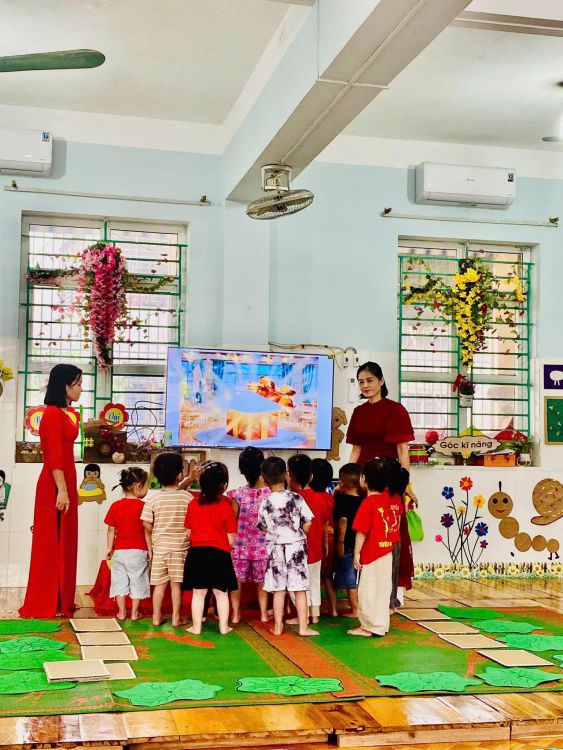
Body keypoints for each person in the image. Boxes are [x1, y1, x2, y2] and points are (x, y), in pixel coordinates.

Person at [347, 361, 417, 600]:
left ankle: (393, 593)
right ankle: (363, 588)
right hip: (364, 482)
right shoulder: (359, 412)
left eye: (370, 380)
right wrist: (347, 481)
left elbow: (402, 451)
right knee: (362, 530)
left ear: (381, 381)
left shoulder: (396, 410)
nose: (365, 386)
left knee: (391, 533)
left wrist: (405, 485)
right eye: (361, 382)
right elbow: (356, 451)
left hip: (390, 481)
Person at [19, 364, 83, 618]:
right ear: (65, 386)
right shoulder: (53, 415)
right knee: (52, 543)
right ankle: (47, 600)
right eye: (77, 384)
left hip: (64, 482)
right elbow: (54, 456)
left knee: (64, 541)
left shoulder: (66, 413)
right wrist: (62, 490)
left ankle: (60, 599)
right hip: (54, 485)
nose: (81, 389)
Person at [257, 457, 318, 637]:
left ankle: (277, 627)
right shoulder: (296, 498)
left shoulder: (265, 502)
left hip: (276, 548)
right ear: (286, 475)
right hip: (296, 547)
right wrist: (301, 531)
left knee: (279, 590)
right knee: (299, 589)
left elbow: (262, 528)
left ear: (263, 478)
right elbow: (308, 521)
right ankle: (303, 627)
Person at [348, 458, 403, 637]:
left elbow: (361, 532)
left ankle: (369, 626)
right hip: (387, 552)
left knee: (368, 591)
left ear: (364, 479)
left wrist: (356, 553)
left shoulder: (368, 503)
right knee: (383, 589)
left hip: (372, 554)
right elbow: (397, 522)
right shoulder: (395, 499)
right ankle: (380, 625)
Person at [182, 461, 238, 635]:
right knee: (221, 593)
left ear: (201, 482)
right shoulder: (226, 505)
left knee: (198, 594)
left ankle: (196, 627)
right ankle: (224, 627)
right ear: (224, 485)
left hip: (197, 554)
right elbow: (231, 539)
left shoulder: (193, 504)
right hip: (220, 555)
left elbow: (187, 533)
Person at [141, 452, 192, 627]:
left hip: (160, 549)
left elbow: (146, 523)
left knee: (160, 585)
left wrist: (156, 532)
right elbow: (192, 522)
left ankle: (156, 617)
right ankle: (176, 618)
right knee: (176, 586)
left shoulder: (153, 499)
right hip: (179, 549)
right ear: (179, 475)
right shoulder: (187, 498)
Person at [227, 447, 270, 623]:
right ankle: (264, 614)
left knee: (236, 581)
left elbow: (233, 520)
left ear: (242, 469)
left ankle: (235, 614)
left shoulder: (236, 494)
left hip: (240, 547)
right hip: (263, 546)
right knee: (262, 582)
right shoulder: (270, 493)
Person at [105, 467, 151, 621]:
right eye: (146, 485)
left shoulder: (115, 506)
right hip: (139, 551)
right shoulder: (144, 506)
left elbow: (111, 530)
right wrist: (150, 549)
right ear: (138, 486)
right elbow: (147, 531)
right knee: (138, 580)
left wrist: (109, 548)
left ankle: (122, 612)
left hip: (119, 551)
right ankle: (134, 613)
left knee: (119, 581)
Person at [295, 457, 335, 622]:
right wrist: (324, 542)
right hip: (317, 547)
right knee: (314, 581)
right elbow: (326, 523)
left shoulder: (298, 497)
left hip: (300, 548)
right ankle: (315, 615)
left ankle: (302, 615)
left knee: (299, 583)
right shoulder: (326, 498)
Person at [333, 463, 363, 618]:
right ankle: (360, 606)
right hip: (361, 543)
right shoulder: (364, 499)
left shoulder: (341, 500)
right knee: (358, 577)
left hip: (347, 544)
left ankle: (355, 609)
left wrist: (340, 544)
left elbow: (342, 522)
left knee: (350, 579)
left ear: (341, 482)